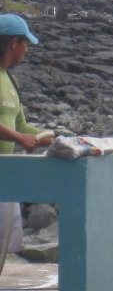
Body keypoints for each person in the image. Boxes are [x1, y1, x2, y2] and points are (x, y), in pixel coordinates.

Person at [0, 13, 54, 256]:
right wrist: (20, 139)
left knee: (8, 250)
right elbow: (18, 135)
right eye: (26, 43)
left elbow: (21, 126)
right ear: (13, 43)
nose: (27, 50)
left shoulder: (10, 80)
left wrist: (48, 136)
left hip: (6, 175)